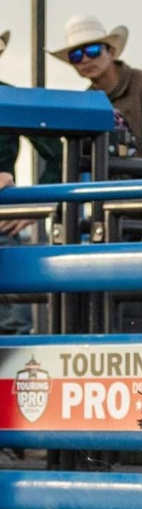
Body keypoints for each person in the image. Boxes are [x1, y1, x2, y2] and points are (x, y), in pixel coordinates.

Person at [0, 28, 63, 335]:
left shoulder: (10, 98)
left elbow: (57, 154)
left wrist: (33, 203)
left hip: (2, 222)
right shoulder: (12, 98)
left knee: (12, 323)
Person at [48, 14, 142, 157]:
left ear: (111, 51)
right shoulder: (84, 104)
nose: (84, 59)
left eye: (92, 51)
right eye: (76, 56)